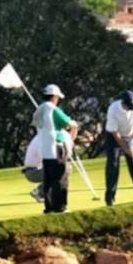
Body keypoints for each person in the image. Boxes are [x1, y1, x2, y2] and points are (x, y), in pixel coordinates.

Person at [31, 84, 77, 214]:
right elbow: (69, 123)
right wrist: (73, 126)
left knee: (49, 179)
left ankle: (49, 207)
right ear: (55, 96)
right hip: (56, 146)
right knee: (61, 177)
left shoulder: (39, 110)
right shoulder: (53, 109)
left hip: (44, 148)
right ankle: (60, 207)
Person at [104, 90, 133, 206]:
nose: (130, 109)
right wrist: (126, 148)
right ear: (123, 103)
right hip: (113, 137)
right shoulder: (113, 109)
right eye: (128, 107)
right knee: (113, 166)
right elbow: (115, 133)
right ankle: (110, 198)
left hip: (131, 134)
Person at [21, 135, 45, 203]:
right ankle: (39, 192)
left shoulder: (40, 137)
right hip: (33, 172)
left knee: (61, 169)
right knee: (60, 170)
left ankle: (44, 193)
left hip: (34, 170)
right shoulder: (42, 139)